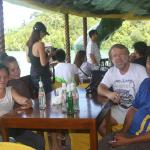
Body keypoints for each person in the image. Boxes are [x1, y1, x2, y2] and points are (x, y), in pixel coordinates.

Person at [99, 51, 150, 150]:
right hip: (131, 134)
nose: (118, 58)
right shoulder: (146, 83)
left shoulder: (139, 71)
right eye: (149, 61)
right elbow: (133, 109)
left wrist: (128, 140)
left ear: (128, 56)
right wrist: (123, 133)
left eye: (121, 54)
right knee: (103, 143)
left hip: (143, 140)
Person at [0, 64, 45, 150]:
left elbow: (22, 100)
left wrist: (28, 102)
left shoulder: (10, 90)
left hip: (11, 129)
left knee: (39, 141)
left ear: (8, 78)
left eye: (5, 77)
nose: (2, 80)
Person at [26, 21, 52, 94]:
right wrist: (50, 55)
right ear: (40, 32)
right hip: (42, 76)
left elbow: (28, 60)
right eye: (44, 33)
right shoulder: (40, 44)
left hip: (33, 74)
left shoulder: (28, 44)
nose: (44, 35)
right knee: (47, 96)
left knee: (40, 97)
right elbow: (43, 63)